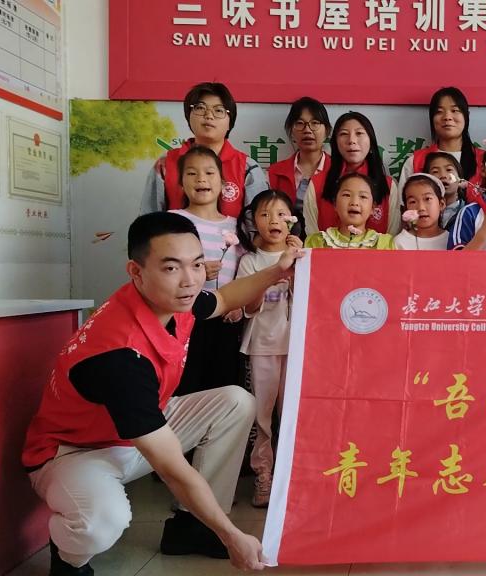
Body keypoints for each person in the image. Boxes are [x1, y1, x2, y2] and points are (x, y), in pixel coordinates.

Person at [23, 212, 305, 575]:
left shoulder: (171, 301)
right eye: (171, 268)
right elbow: (172, 467)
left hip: (134, 433)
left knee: (235, 402)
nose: (190, 280)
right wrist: (232, 535)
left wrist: (277, 271)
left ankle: (193, 528)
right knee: (102, 521)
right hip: (75, 452)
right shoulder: (120, 356)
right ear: (136, 272)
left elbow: (223, 298)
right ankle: (68, 557)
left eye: (197, 264)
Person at [233, 190, 298, 507]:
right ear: (254, 221)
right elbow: (248, 306)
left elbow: (313, 299)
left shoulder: (302, 256)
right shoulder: (249, 261)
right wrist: (271, 277)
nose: (274, 220)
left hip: (296, 348)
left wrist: (295, 270)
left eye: (282, 214)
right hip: (261, 346)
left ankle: (291, 478)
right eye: (265, 214)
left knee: (293, 415)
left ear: (292, 220)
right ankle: (263, 475)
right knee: (262, 417)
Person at [168, 146, 244, 396]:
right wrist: (198, 272)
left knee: (223, 386)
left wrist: (239, 305)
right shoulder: (172, 221)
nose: (201, 179)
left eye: (209, 173)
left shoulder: (236, 227)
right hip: (183, 318)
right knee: (184, 385)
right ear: (181, 183)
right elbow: (162, 269)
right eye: (192, 173)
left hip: (225, 321)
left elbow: (244, 272)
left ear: (223, 183)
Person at [142, 82, 267, 216]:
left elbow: (259, 223)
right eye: (200, 108)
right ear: (188, 116)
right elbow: (148, 220)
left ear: (230, 123)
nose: (209, 115)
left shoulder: (248, 168)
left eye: (218, 110)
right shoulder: (165, 164)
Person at [303, 112, 401, 236]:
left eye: (359, 133)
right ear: (335, 143)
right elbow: (312, 237)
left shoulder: (388, 185)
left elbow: (392, 237)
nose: (352, 141)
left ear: (371, 140)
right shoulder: (317, 184)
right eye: (344, 134)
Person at [398, 87, 486, 197]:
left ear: (466, 115)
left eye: (454, 110)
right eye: (439, 112)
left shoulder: (485, 160)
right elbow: (403, 204)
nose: (447, 117)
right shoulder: (416, 162)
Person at [267, 97, 333, 238]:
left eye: (315, 123)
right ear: (291, 131)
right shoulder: (275, 173)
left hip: (327, 247)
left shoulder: (340, 172)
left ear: (327, 131)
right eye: (300, 123)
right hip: (284, 246)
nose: (307, 130)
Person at [305, 173, 396, 250]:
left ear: (372, 208)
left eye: (363, 196)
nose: (354, 202)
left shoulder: (384, 244)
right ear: (335, 204)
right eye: (347, 195)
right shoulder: (318, 241)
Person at [395, 174, 450, 250]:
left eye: (427, 199)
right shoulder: (399, 242)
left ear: (441, 204)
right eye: (413, 202)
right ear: (406, 209)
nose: (421, 208)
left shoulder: (451, 240)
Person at [422, 152, 465, 229]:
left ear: (460, 179)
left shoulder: (470, 212)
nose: (443, 175)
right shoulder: (422, 213)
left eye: (449, 170)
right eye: (435, 171)